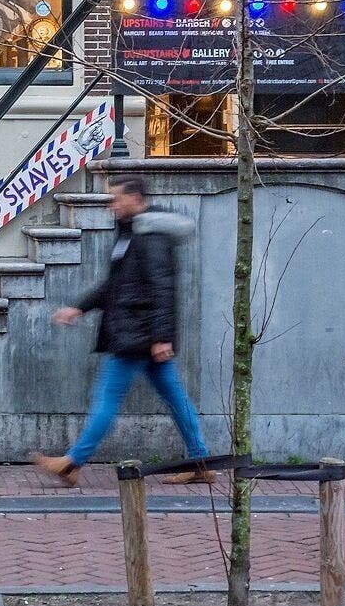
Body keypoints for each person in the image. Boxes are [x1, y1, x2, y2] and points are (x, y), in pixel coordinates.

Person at [32, 176, 212, 486]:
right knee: (175, 397)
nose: (112, 205)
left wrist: (161, 337)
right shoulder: (129, 233)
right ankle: (200, 462)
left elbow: (162, 287)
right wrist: (80, 308)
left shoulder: (150, 236)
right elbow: (115, 285)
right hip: (139, 333)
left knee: (107, 397)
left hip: (137, 335)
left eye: (117, 199)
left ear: (135, 199)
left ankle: (72, 462)